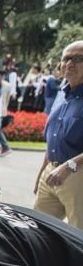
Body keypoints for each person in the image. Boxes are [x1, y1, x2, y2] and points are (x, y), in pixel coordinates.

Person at [33, 40, 83, 229]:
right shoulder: (61, 94)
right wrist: (42, 173)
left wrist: (69, 167)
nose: (70, 63)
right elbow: (53, 137)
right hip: (52, 172)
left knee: (78, 234)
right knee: (37, 229)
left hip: (77, 173)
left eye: (79, 59)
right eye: (67, 58)